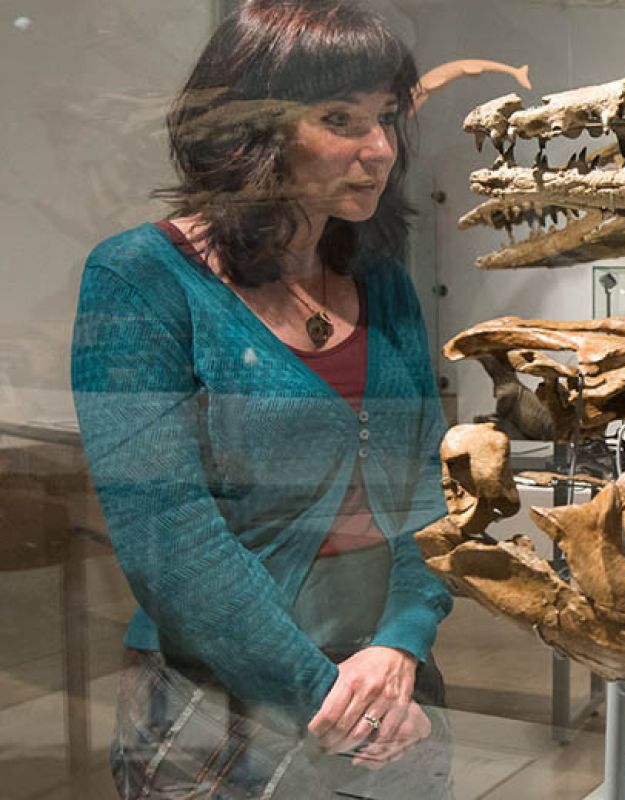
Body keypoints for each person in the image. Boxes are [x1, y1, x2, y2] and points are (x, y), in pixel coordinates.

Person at [70, 1, 453, 796]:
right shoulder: (141, 277)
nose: (379, 149)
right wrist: (334, 701)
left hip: (388, 682)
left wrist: (404, 643)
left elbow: (431, 481)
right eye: (339, 118)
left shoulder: (379, 274)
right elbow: (168, 537)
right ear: (252, 127)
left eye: (385, 118)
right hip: (220, 701)